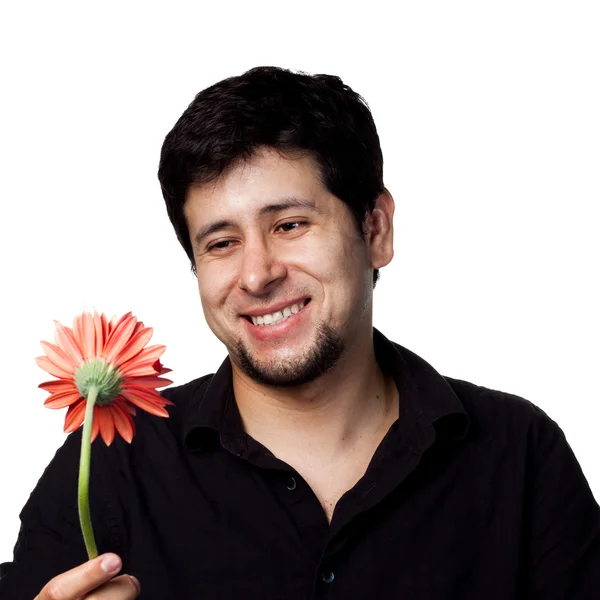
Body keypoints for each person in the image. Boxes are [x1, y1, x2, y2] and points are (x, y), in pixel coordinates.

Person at [1, 66, 598, 600]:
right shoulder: (112, 465)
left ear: (377, 230)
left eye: (289, 224)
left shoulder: (521, 454)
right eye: (222, 243)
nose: (257, 274)